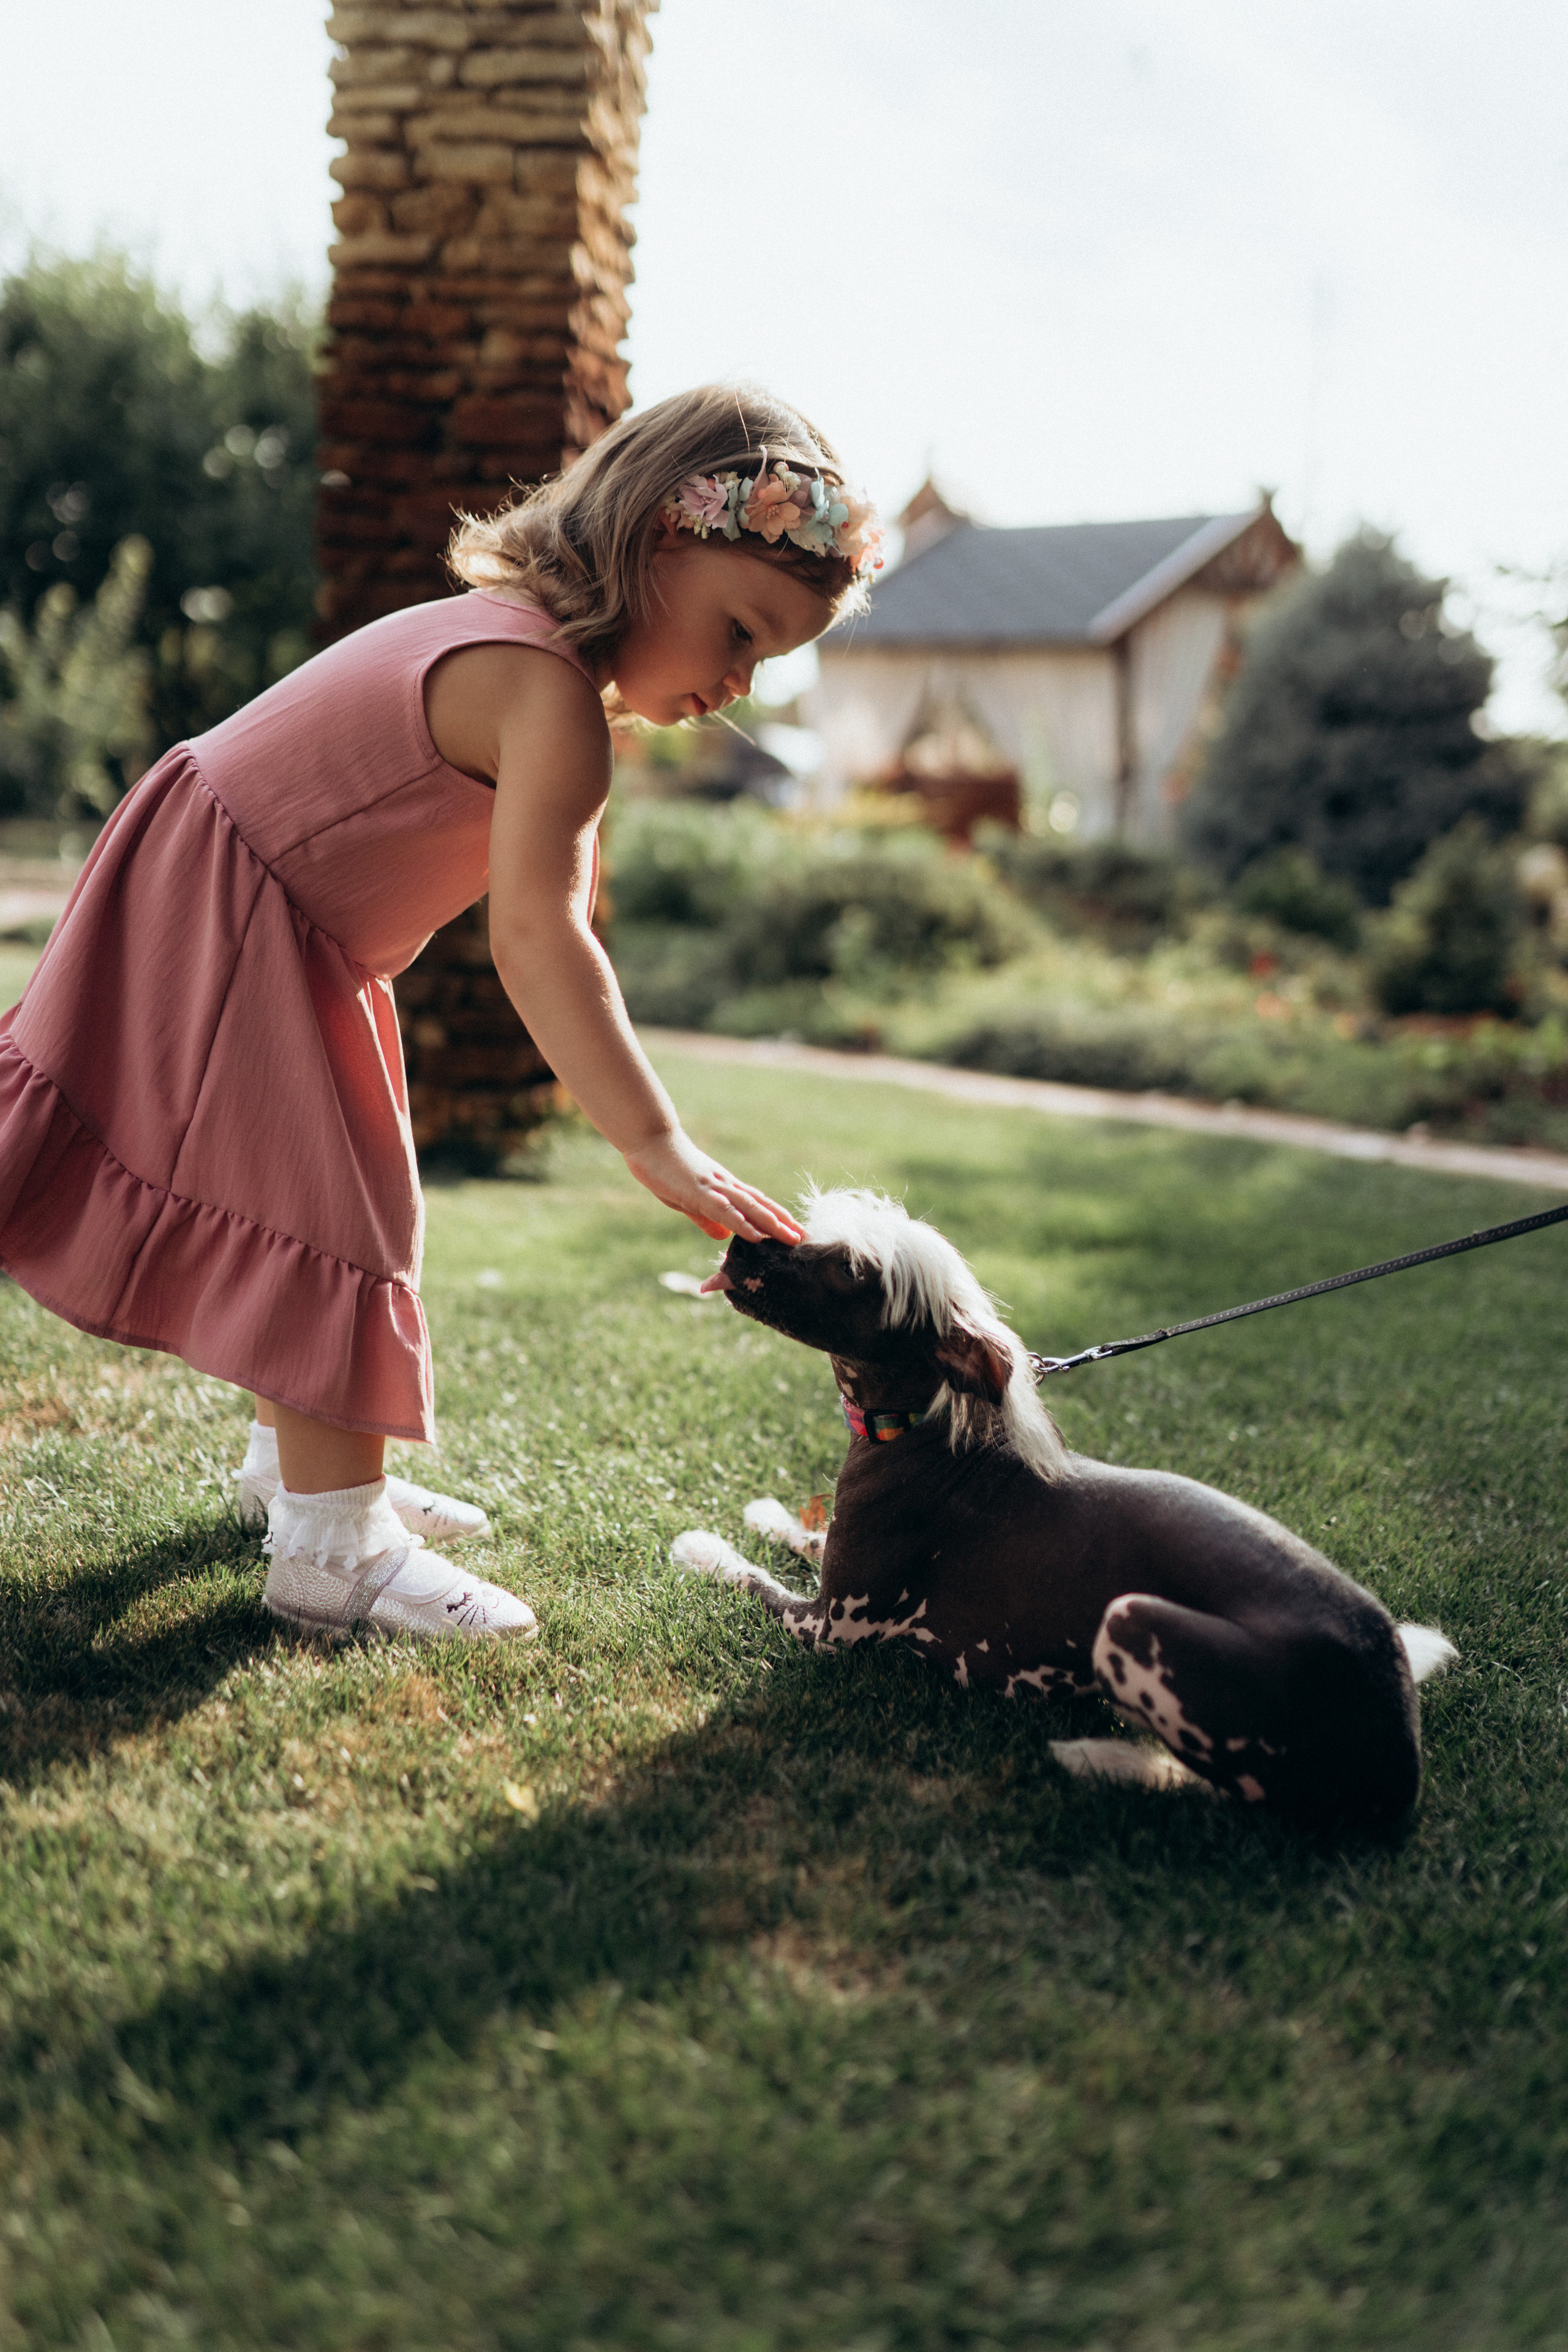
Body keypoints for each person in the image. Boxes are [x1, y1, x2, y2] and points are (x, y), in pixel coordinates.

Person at [0, 385, 882, 1643]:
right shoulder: (543, 694)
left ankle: (300, 1473)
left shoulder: (519, 646)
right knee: (334, 1209)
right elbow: (542, 939)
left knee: (328, 1196)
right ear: (657, 536)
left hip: (251, 900)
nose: (736, 684)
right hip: (242, 907)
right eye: (739, 632)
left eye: (763, 662)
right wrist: (654, 1141)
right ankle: (333, 1550)